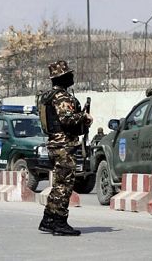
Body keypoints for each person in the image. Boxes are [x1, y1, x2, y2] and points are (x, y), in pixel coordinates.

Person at [38, 60, 92, 236]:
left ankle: (48, 219)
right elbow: (66, 119)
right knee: (65, 185)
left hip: (55, 143)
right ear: (63, 77)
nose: (72, 76)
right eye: (69, 74)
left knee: (59, 184)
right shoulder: (62, 97)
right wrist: (84, 117)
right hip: (63, 145)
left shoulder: (46, 96)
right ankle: (60, 222)